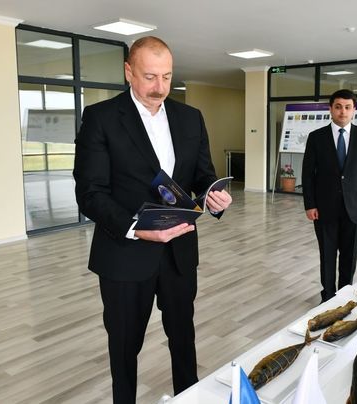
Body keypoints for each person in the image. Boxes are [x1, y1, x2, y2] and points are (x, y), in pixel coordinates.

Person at [73, 36, 232, 403]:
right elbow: (90, 193)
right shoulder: (101, 118)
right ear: (128, 72)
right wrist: (136, 228)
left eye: (167, 76)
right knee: (124, 346)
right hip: (125, 254)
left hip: (179, 252)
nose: (160, 87)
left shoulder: (190, 117)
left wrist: (214, 196)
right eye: (149, 77)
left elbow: (203, 176)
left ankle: (189, 397)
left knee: (183, 338)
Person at [302, 89, 357, 302]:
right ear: (330, 109)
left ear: (354, 110)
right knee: (327, 255)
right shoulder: (316, 137)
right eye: (338, 107)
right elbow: (307, 174)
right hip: (324, 207)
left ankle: (344, 296)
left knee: (349, 255)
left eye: (347, 107)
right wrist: (310, 204)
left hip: (356, 207)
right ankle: (327, 297)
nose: (342, 112)